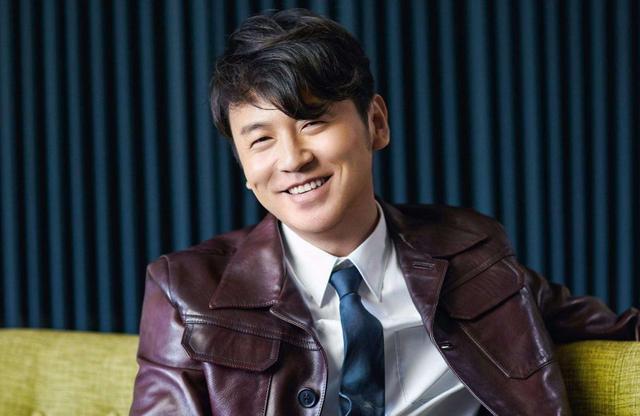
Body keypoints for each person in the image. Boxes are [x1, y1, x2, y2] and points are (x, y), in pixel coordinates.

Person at [130, 8, 639, 416]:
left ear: (375, 122)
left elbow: (608, 328)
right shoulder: (186, 290)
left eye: (312, 122)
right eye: (261, 140)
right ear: (244, 167)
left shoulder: (471, 252)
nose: (292, 159)